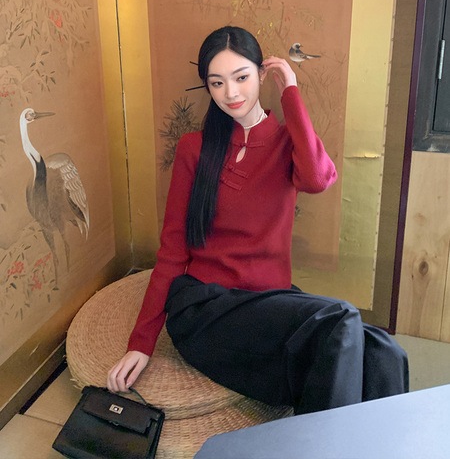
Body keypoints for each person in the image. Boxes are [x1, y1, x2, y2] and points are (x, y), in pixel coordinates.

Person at [107, 25, 408, 414]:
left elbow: (317, 179)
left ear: (261, 74)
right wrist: (141, 342)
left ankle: (368, 442)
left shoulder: (287, 144)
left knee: (383, 351)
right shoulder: (194, 148)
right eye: (217, 83)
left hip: (266, 303)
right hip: (205, 308)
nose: (230, 93)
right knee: (339, 321)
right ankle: (321, 442)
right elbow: (172, 251)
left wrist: (291, 91)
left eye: (241, 77)